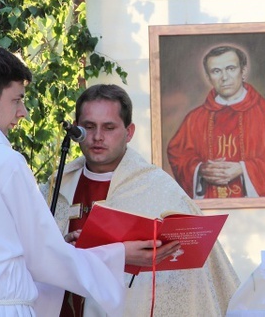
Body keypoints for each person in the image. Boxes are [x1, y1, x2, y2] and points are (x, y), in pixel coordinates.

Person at [0, 44, 179, 316]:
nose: (22, 111)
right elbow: (45, 259)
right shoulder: (3, 161)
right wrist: (119, 255)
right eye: (17, 99)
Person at [43, 84, 239, 316]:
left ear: (129, 132)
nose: (97, 137)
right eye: (89, 126)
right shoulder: (57, 188)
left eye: (109, 127)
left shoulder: (157, 188)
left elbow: (192, 276)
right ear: (77, 130)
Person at [167, 45, 265, 199]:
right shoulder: (194, 119)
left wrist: (243, 169)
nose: (224, 77)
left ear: (243, 72)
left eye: (230, 68)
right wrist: (200, 169)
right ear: (209, 77)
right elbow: (178, 155)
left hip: (261, 214)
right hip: (211, 211)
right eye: (216, 71)